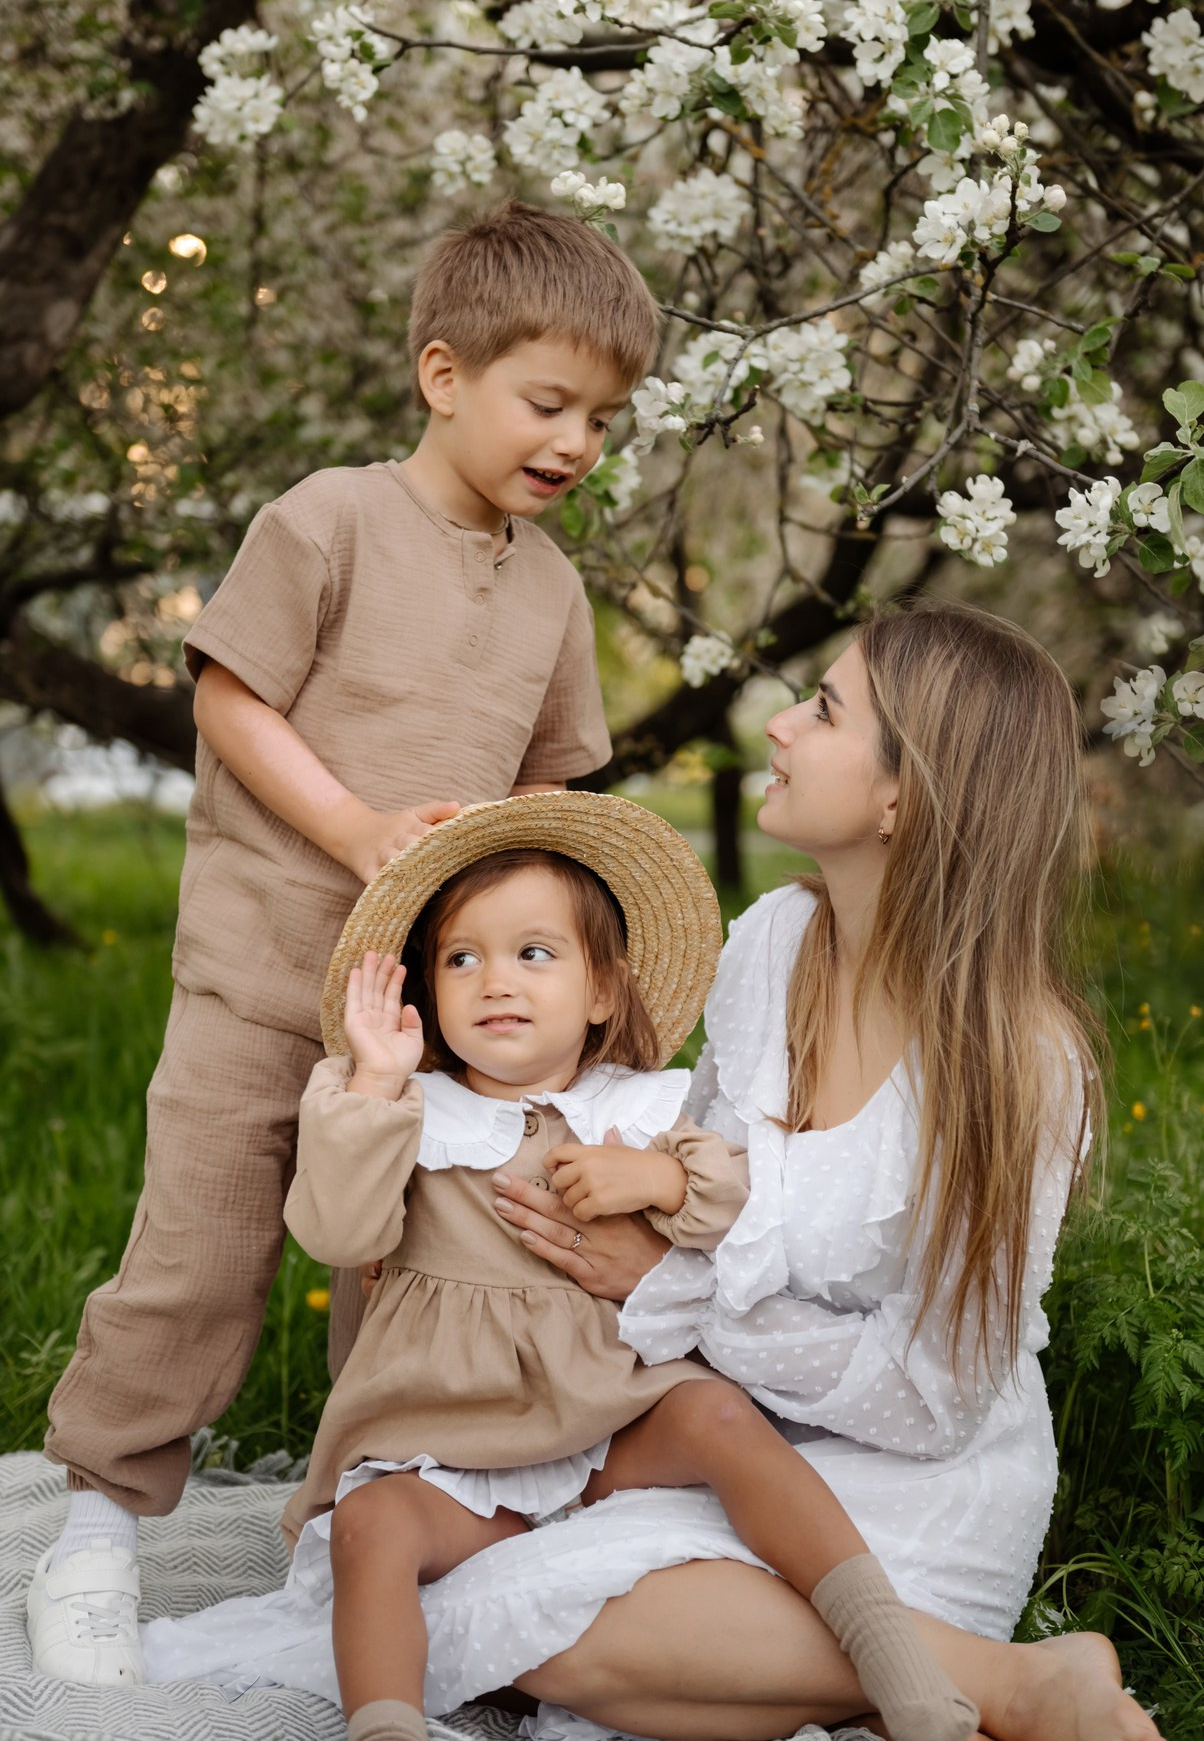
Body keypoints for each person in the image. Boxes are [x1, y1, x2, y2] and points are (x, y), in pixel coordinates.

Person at [27, 200, 658, 1689]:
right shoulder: (328, 519)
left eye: (605, 419)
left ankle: (353, 1524)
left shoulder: (556, 591)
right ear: (446, 375)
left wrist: (546, 960)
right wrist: (361, 828)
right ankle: (103, 1517)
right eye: (548, 402)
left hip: (430, 1017)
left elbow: (553, 789)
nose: (576, 441)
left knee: (405, 1276)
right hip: (265, 970)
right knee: (204, 1242)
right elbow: (229, 701)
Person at [459, 602, 1161, 1741]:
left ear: (904, 797)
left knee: (560, 1630)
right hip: (753, 1444)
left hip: (925, 1482)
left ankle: (999, 1679)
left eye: (824, 708)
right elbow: (697, 1192)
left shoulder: (1021, 1066)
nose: (778, 726)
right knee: (483, 1608)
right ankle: (987, 1685)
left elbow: (933, 1400)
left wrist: (677, 1291)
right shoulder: (770, 942)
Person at [144, 791, 979, 1741]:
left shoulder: (644, 1104)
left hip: (605, 1417)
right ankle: (385, 1729)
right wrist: (374, 1079)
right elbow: (335, 1232)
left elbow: (739, 1211)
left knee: (714, 1412)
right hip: (450, 1437)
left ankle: (903, 1669)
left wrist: (658, 1177)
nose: (496, 980)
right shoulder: (410, 1113)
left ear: (603, 993)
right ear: (426, 991)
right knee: (375, 1529)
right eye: (463, 958)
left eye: (533, 953)